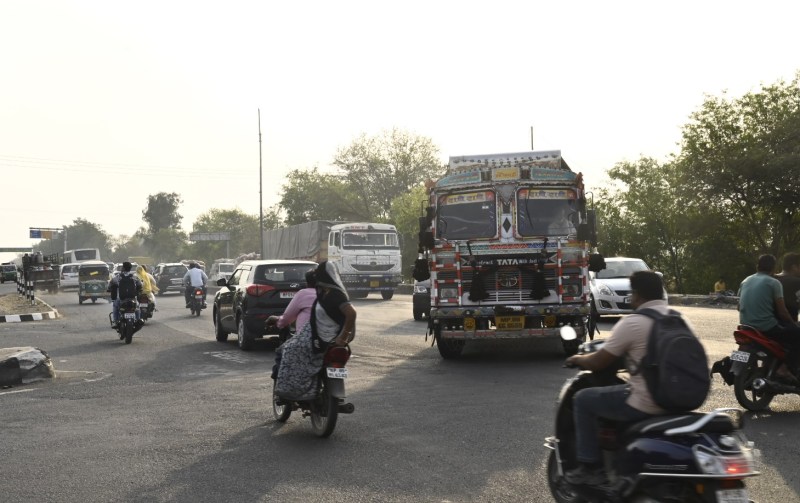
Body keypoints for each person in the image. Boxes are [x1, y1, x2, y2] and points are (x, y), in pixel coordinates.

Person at [563, 271, 676, 485]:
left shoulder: (633, 322)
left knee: (583, 400)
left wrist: (578, 359)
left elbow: (598, 362)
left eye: (632, 293)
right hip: (681, 399)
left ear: (637, 295)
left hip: (647, 402)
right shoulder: (677, 319)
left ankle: (590, 468)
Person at [273, 261, 356, 400]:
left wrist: (343, 337)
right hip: (319, 334)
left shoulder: (334, 295)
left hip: (325, 337)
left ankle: (291, 392)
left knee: (288, 350)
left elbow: (351, 314)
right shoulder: (324, 293)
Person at [738, 254, 800, 379]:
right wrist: (794, 325)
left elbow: (739, 307)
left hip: (745, 326)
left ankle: (740, 364)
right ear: (773, 267)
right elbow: (782, 312)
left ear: (757, 266)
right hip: (766, 327)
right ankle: (784, 369)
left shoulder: (746, 280)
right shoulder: (774, 283)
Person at [266, 269, 317, 334]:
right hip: (328, 338)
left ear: (307, 282)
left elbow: (287, 318)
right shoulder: (329, 294)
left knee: (286, 344)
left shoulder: (303, 294)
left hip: (306, 338)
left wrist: (277, 320)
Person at [108, 261, 143, 329]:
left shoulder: (118, 277)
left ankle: (115, 322)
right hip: (132, 299)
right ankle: (138, 320)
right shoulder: (134, 277)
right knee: (137, 307)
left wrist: (109, 289)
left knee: (115, 306)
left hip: (121, 299)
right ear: (130, 268)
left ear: (123, 268)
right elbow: (140, 285)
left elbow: (110, 284)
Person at [775, 252, 800, 321]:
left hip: (770, 325)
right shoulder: (797, 282)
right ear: (794, 267)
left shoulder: (772, 279)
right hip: (788, 325)